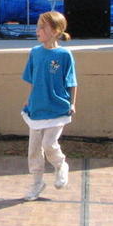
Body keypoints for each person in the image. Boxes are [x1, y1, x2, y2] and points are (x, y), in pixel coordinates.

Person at [21, 11, 77, 201]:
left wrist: (72, 102)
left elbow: (72, 82)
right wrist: (29, 99)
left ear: (55, 31)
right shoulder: (35, 53)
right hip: (37, 108)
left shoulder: (64, 54)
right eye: (37, 26)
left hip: (57, 109)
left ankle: (61, 165)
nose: (38, 30)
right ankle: (37, 183)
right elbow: (32, 79)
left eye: (42, 27)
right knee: (34, 149)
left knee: (49, 143)